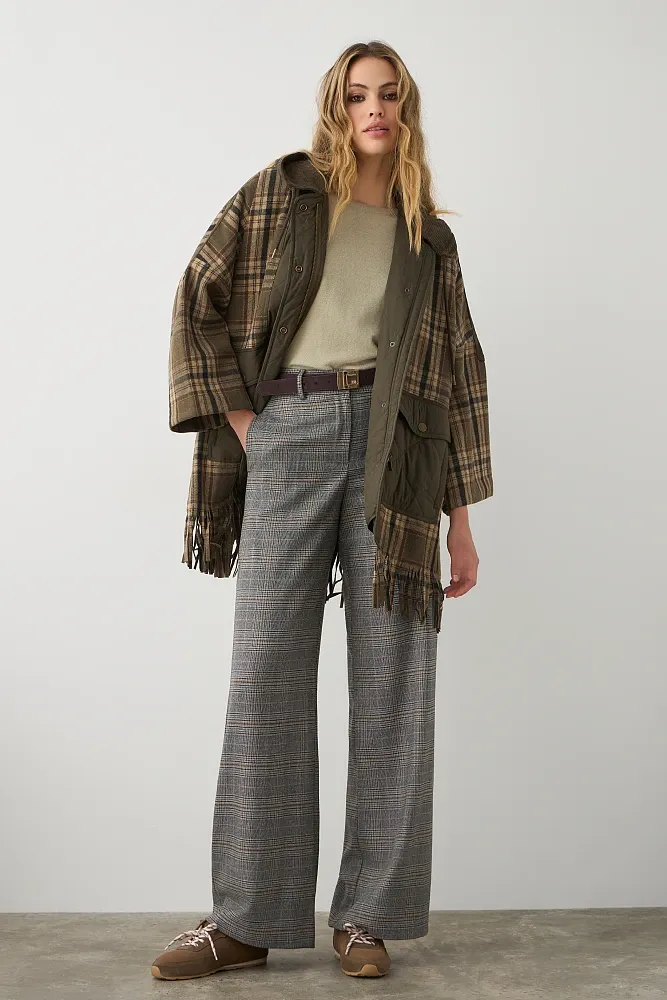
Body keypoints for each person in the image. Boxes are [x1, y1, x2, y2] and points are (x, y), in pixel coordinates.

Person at [153, 39, 493, 981]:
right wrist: (246, 425)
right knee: (265, 668)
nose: (372, 109)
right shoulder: (284, 193)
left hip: (397, 452)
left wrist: (461, 520)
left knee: (395, 680)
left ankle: (367, 917)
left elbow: (457, 373)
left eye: (387, 95)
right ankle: (245, 920)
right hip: (290, 430)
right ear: (336, 107)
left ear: (406, 109)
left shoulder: (428, 238)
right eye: (355, 95)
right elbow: (196, 295)